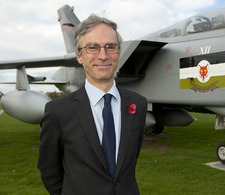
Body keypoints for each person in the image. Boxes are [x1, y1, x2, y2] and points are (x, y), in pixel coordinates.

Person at [38, 14, 147, 195]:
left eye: (110, 47)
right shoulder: (58, 112)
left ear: (118, 53)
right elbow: (49, 171)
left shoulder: (137, 104)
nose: (103, 56)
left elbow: (130, 160)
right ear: (80, 56)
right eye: (92, 47)